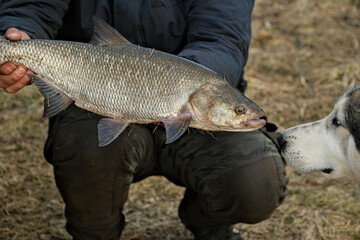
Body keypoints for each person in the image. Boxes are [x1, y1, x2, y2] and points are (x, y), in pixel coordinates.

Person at [0, 0, 288, 239]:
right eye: (240, 111)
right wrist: (19, 32)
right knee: (85, 146)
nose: (245, 115)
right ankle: (94, 233)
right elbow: (32, 5)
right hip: (97, 95)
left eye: (239, 111)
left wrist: (174, 79)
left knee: (256, 181)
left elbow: (222, 38)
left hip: (189, 105)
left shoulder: (203, 91)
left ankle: (209, 222)